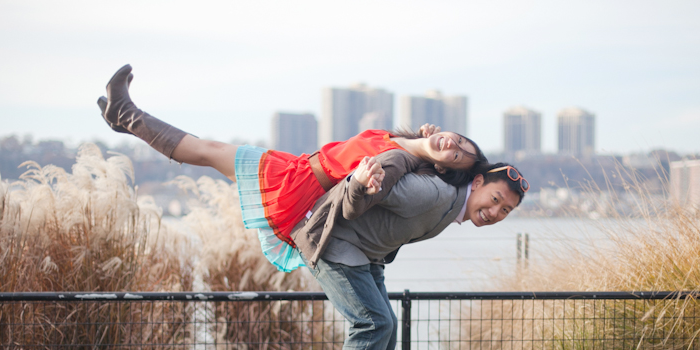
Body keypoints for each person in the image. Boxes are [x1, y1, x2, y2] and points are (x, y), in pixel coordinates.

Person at [97, 64, 487, 271]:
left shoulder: (405, 161)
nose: (453, 147)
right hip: (297, 166)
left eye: (455, 157)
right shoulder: (407, 141)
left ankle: (128, 115)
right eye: (460, 142)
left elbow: (381, 187)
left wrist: (372, 179)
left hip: (296, 185)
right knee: (208, 149)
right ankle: (124, 117)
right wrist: (424, 139)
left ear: (442, 168)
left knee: (206, 150)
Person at [292, 160, 529, 350]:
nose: (495, 212)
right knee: (373, 324)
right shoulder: (435, 194)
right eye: (495, 199)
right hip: (334, 243)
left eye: (505, 210)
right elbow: (375, 187)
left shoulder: (450, 204)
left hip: (367, 254)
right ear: (477, 183)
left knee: (386, 329)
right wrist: (363, 179)